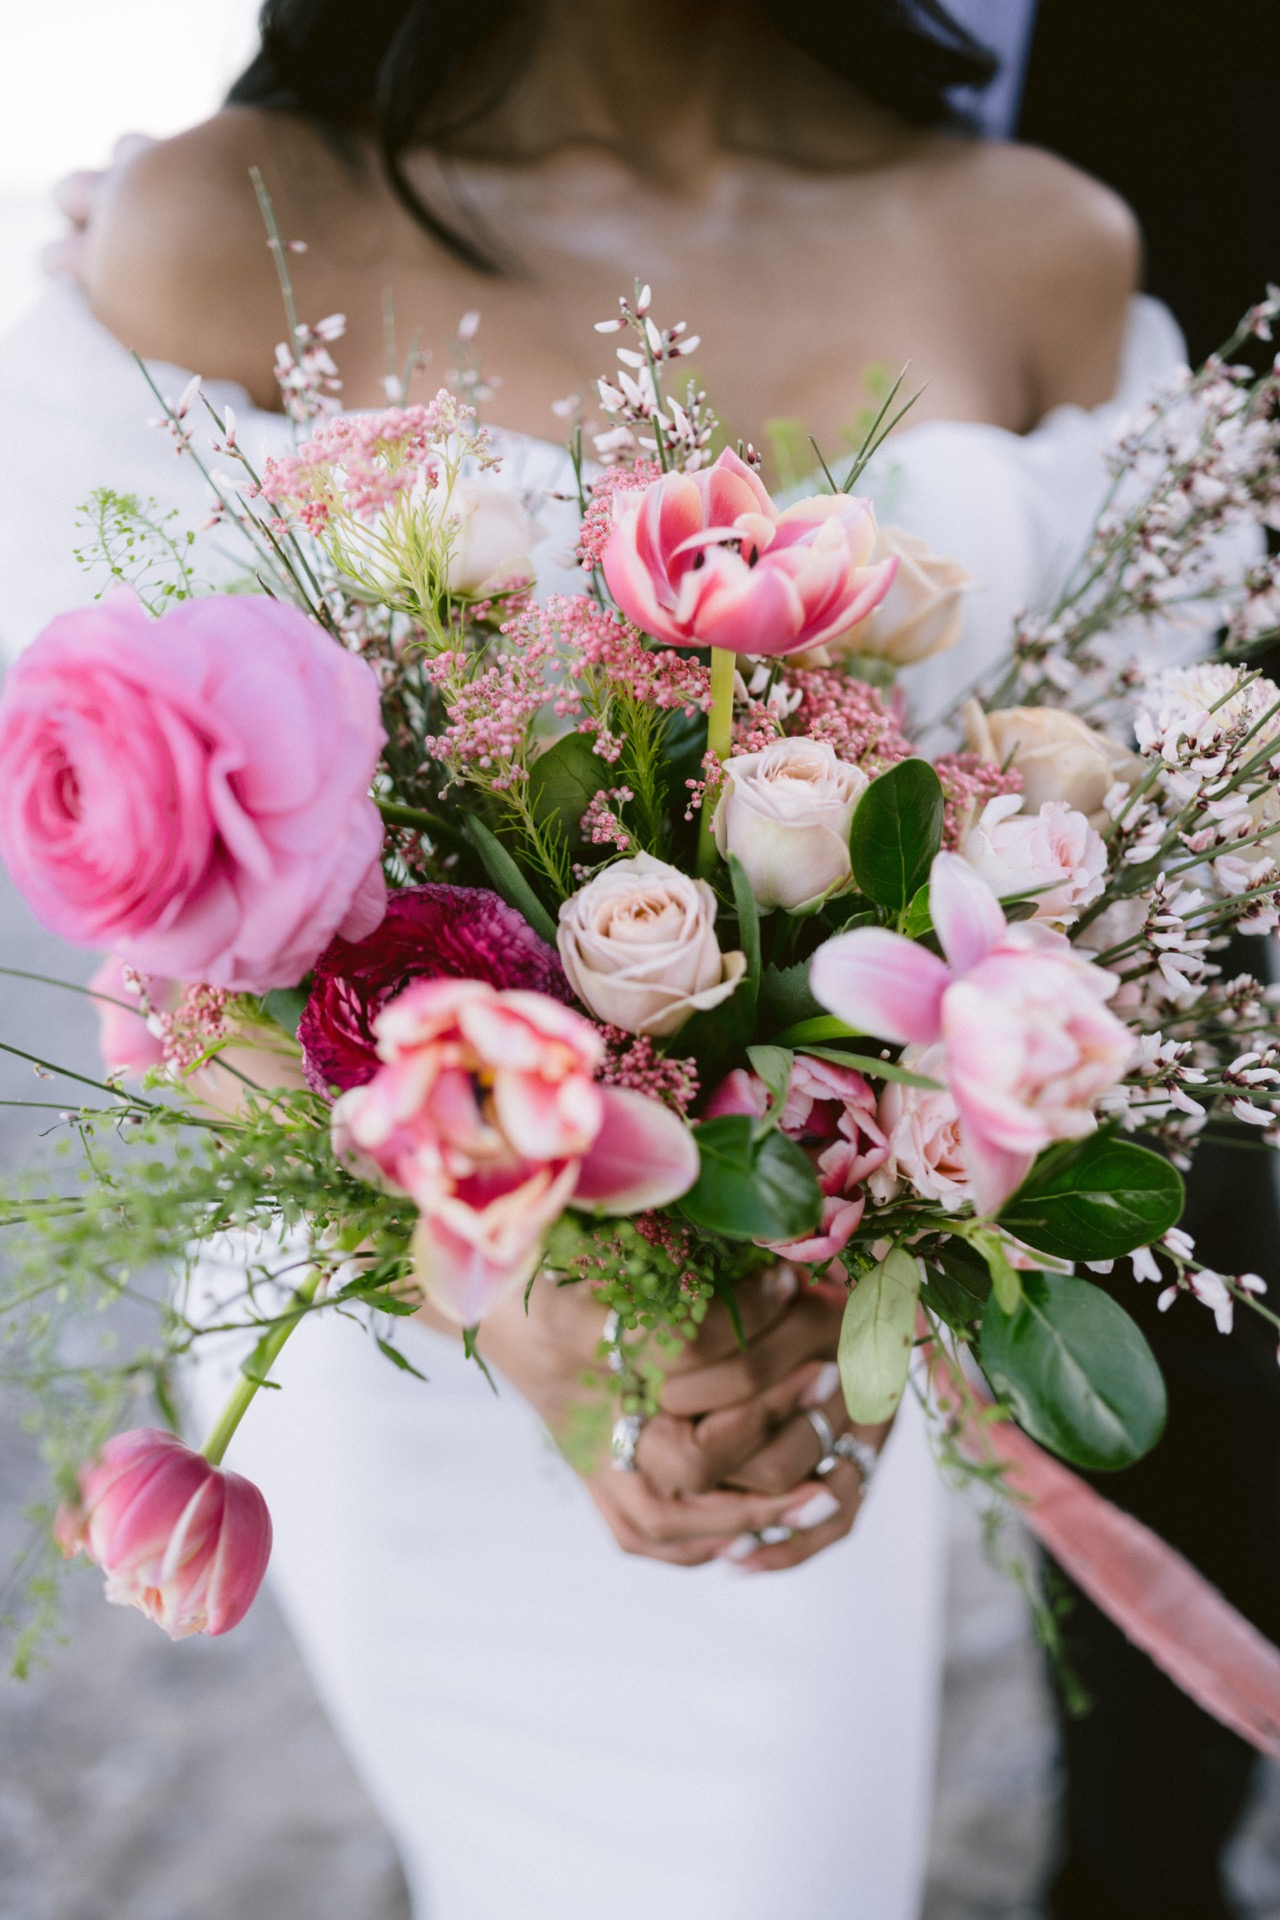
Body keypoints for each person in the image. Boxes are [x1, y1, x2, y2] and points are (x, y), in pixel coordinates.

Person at [0, 2, 1191, 1913]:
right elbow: (140, 921)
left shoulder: (1043, 239)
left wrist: (832, 1258)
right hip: (411, 1335)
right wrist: (519, 1295)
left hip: (810, 1339)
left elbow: (1146, 852)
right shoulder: (226, 225)